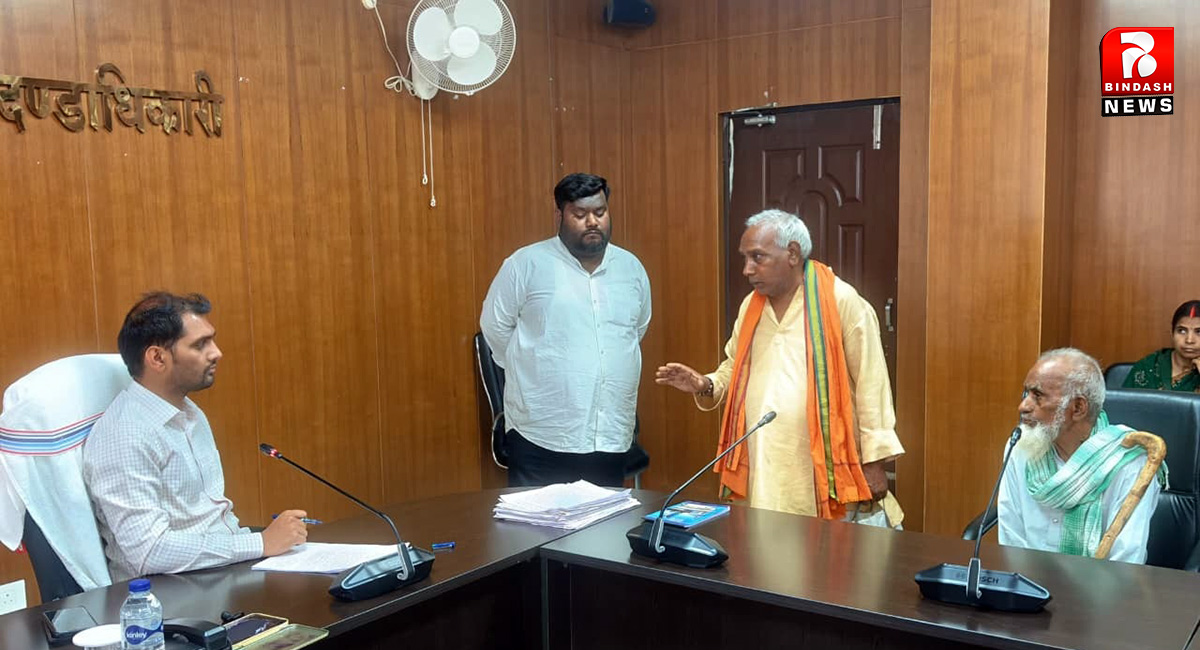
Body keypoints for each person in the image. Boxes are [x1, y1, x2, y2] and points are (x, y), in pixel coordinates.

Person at [655, 209, 904, 526]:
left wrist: (875, 463)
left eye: (757, 257)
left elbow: (873, 385)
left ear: (793, 253)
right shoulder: (751, 305)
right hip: (763, 461)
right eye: (745, 258)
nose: (747, 269)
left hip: (820, 468)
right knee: (765, 546)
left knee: (824, 552)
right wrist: (705, 384)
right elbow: (734, 367)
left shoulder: (841, 301)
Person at [83, 292, 308, 581]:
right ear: (157, 358)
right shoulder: (124, 435)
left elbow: (213, 516)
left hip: (221, 572)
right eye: (201, 344)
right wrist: (260, 543)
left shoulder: (189, 412)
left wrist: (263, 545)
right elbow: (149, 553)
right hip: (170, 590)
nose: (216, 353)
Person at [481, 173, 651, 487]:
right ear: (559, 215)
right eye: (580, 214)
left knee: (604, 519)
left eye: (600, 212)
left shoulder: (631, 269)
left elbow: (636, 329)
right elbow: (495, 327)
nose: (592, 222)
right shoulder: (525, 265)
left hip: (608, 435)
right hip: (541, 435)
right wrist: (532, 368)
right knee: (537, 520)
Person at [998, 348, 1165, 563]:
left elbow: (1126, 559)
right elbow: (1011, 536)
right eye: (1026, 394)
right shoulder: (1020, 446)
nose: (1023, 406)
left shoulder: (1130, 463)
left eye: (1037, 396)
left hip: (1100, 582)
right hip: (1027, 578)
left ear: (1078, 408)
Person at [1123, 300, 1200, 392]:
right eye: (1182, 331)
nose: (1189, 340)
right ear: (1172, 333)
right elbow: (1126, 400)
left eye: (1199, 332)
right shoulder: (1149, 366)